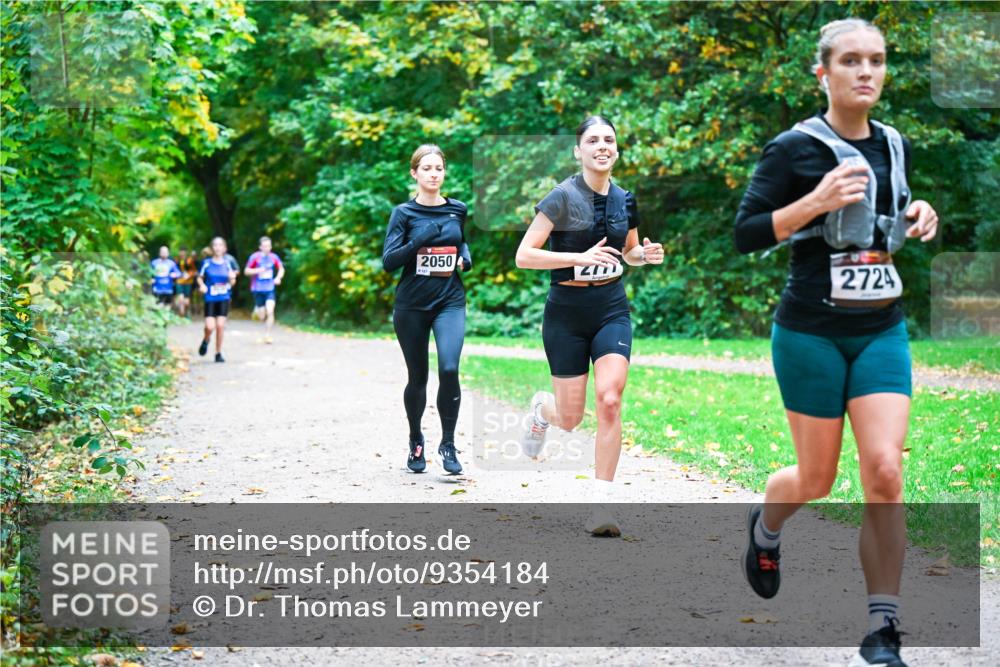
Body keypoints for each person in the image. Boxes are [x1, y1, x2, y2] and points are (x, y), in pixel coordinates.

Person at [733, 19, 939, 667]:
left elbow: (887, 214)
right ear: (823, 72)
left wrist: (918, 213)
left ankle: (883, 627)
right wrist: (813, 202)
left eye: (876, 60)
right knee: (817, 479)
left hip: (881, 327)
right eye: (851, 61)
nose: (866, 72)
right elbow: (745, 234)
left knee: (884, 469)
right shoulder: (792, 149)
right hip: (809, 332)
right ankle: (766, 528)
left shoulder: (895, 143)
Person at [514, 116, 664, 536]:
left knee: (610, 398)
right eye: (593, 140)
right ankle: (542, 412)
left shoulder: (624, 199)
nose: (603, 146)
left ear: (616, 150)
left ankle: (602, 506)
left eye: (609, 140)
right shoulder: (561, 197)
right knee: (570, 418)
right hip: (566, 312)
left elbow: (628, 252)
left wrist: (643, 255)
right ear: (578, 151)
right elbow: (524, 256)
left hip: (610, 307)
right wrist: (578, 258)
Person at [382, 144, 472, 475]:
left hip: (449, 300)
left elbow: (460, 239)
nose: (434, 174)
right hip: (412, 305)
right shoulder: (403, 214)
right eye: (427, 168)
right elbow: (389, 262)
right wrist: (418, 240)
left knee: (449, 368)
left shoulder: (458, 208)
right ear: (415, 173)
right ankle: (416, 439)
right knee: (418, 377)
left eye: (439, 168)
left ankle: (448, 444)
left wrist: (466, 254)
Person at [196, 237, 238, 363]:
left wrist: (232, 279)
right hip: (210, 298)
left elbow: (232, 281)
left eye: (220, 245)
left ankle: (218, 353)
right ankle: (206, 339)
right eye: (215, 245)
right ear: (212, 248)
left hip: (224, 297)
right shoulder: (207, 263)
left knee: (220, 325)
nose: (218, 247)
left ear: (224, 248)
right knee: (209, 326)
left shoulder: (228, 263)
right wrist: (202, 285)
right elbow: (199, 277)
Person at [244, 236, 285, 343]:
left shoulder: (273, 257)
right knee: (261, 316)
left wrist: (278, 277)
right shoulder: (255, 257)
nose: (267, 248)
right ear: (260, 247)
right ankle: (256, 311)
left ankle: (267, 335)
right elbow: (246, 271)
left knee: (270, 310)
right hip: (257, 289)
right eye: (265, 246)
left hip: (269, 288)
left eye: (269, 246)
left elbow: (281, 268)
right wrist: (257, 270)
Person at [174, 247, 198, 317]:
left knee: (187, 300)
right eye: (181, 251)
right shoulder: (177, 260)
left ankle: (187, 312)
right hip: (179, 281)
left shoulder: (189, 260)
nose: (182, 253)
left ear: (186, 253)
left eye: (183, 252)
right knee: (180, 298)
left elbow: (194, 270)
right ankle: (181, 314)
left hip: (188, 282)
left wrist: (189, 275)